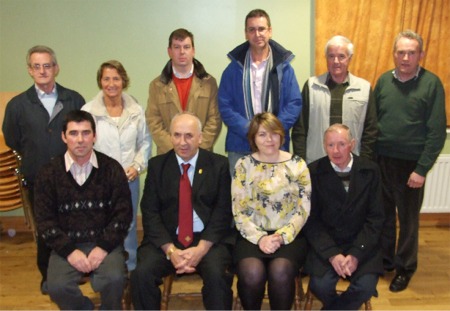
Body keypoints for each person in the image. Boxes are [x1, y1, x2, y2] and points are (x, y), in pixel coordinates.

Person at [2, 45, 85, 294]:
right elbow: (12, 138)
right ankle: (48, 275)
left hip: (72, 176)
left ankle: (75, 270)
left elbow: (84, 134)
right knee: (46, 228)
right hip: (37, 177)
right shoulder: (18, 105)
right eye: (36, 66)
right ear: (29, 70)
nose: (42, 71)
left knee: (74, 224)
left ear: (56, 68)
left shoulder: (74, 99)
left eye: (47, 65)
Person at [131, 112, 234, 310]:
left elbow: (223, 213)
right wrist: (171, 250)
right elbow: (150, 213)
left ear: (200, 137)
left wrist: (201, 249)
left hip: (207, 239)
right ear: (170, 137)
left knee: (217, 275)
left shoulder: (218, 165)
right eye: (177, 135)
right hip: (168, 240)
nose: (182, 142)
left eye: (189, 135)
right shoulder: (157, 165)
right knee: (141, 275)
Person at [33, 110, 132, 310]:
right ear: (63, 136)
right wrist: (70, 252)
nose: (80, 140)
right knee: (57, 287)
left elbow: (123, 215)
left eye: (86, 133)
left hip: (104, 243)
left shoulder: (112, 169)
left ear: (94, 137)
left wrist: (103, 247)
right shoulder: (48, 173)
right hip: (66, 245)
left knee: (114, 279)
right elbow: (44, 221)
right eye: (73, 133)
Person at [375, 30, 446, 292]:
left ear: (421, 55)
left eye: (411, 52)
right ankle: (384, 261)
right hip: (382, 161)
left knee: (408, 221)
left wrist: (422, 168)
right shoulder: (383, 81)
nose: (405, 57)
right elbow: (374, 122)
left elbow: (437, 132)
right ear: (394, 54)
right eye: (401, 52)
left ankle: (405, 268)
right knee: (382, 216)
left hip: (411, 165)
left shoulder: (432, 84)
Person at [232, 112, 311, 310]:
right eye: (262, 135)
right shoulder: (243, 165)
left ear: (282, 136)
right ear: (253, 139)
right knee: (252, 272)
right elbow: (239, 210)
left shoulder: (298, 164)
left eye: (274, 134)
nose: (269, 140)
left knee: (280, 270)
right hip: (251, 235)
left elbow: (303, 209)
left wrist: (281, 236)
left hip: (289, 235)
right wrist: (260, 238)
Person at [303, 124, 384, 310]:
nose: (336, 150)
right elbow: (311, 221)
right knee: (320, 286)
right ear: (324, 146)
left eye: (341, 144)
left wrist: (356, 253)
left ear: (352, 144)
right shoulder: (313, 171)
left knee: (365, 288)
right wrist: (332, 254)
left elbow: (376, 218)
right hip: (328, 244)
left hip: (362, 243)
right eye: (330, 145)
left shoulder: (370, 170)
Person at [82, 60, 151, 272]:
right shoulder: (88, 111)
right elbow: (84, 146)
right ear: (100, 82)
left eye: (116, 78)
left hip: (129, 179)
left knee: (128, 224)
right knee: (101, 223)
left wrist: (137, 166)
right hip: (99, 181)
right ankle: (103, 268)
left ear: (124, 81)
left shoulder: (136, 110)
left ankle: (130, 267)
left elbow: (145, 142)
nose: (111, 83)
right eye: (106, 78)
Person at [218, 9, 302, 174]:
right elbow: (224, 105)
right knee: (241, 197)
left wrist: (272, 131)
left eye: (261, 29)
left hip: (275, 146)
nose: (257, 34)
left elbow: (294, 103)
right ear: (246, 33)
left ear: (270, 31)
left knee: (277, 196)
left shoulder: (284, 69)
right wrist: (250, 129)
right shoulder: (233, 69)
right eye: (252, 29)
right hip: (241, 145)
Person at [292, 35, 377, 164]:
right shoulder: (311, 86)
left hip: (352, 164)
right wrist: (301, 162)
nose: (336, 61)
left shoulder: (364, 88)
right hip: (317, 163)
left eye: (341, 56)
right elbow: (300, 129)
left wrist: (363, 162)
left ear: (350, 58)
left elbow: (370, 131)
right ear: (326, 58)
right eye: (331, 56)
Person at [146, 28, 222, 155]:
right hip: (168, 155)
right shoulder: (157, 86)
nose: (182, 52)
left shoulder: (209, 83)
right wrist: (175, 148)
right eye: (177, 47)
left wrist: (196, 149)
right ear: (169, 51)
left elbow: (215, 120)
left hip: (201, 155)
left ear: (193, 51)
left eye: (186, 47)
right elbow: (154, 121)